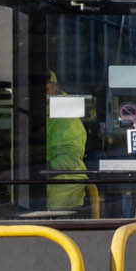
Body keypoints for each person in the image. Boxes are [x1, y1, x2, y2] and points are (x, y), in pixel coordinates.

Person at [44, 72, 89, 212]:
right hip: (44, 190)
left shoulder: (65, 115)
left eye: (45, 88)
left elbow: (68, 159)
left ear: (56, 88)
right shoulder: (38, 111)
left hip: (63, 194)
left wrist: (30, 172)